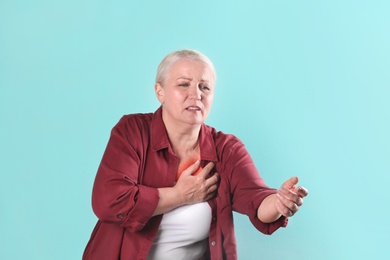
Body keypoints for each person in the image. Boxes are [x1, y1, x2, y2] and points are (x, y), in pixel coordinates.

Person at [83, 49, 308, 260]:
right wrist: (180, 195)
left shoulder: (227, 149)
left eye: (205, 87)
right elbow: (108, 201)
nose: (196, 95)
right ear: (159, 91)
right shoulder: (132, 131)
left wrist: (279, 203)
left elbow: (257, 201)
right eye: (184, 84)